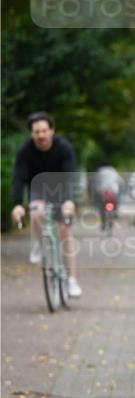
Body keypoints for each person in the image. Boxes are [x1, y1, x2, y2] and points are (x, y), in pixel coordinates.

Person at [10, 112, 82, 298]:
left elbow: (70, 177)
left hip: (61, 191)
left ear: (52, 131)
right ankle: (39, 243)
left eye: (44, 131)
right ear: (31, 133)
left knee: (65, 233)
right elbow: (18, 179)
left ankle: (71, 280)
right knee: (35, 212)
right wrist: (17, 204)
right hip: (38, 190)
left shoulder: (64, 148)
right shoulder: (25, 151)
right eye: (36, 132)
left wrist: (70, 200)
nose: (41, 135)